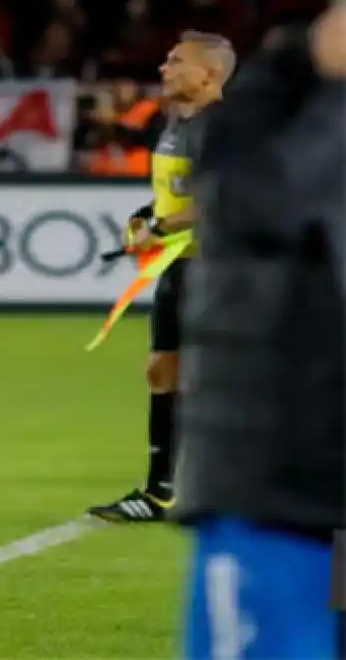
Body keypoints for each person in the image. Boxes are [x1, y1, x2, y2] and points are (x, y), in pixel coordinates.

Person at [175, 0, 346, 658]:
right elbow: (253, 201)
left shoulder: (278, 122)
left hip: (286, 500)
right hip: (288, 500)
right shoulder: (283, 121)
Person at [88, 32, 235, 524]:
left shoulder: (223, 128)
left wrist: (160, 228)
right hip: (182, 265)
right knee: (162, 370)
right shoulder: (176, 123)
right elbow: (180, 192)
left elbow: (220, 198)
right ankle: (161, 492)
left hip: (220, 270)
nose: (164, 69)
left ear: (209, 74)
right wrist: (146, 215)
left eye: (176, 62)